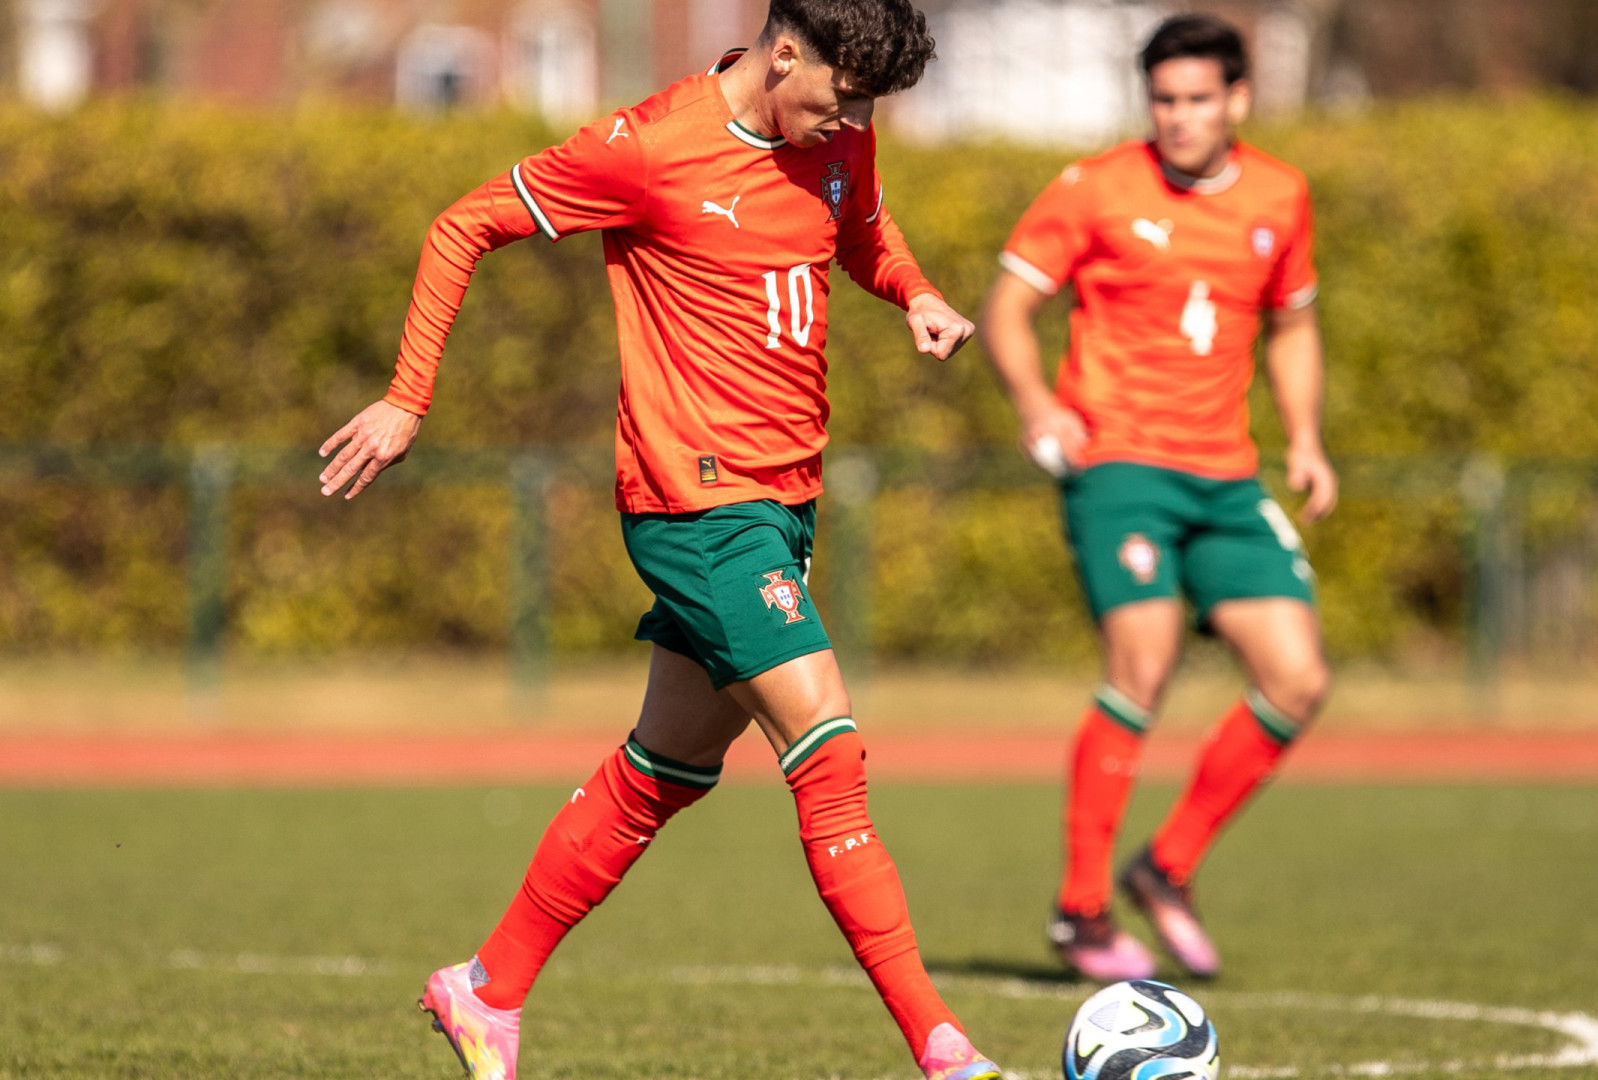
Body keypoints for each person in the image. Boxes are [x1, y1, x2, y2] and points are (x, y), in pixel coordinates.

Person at [316, 4, 999, 1079]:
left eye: (869, 105)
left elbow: (859, 230)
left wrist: (915, 292)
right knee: (829, 749)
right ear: (784, 53)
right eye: (842, 95)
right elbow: (464, 223)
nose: (854, 121)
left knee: (667, 768)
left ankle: (484, 990)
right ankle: (944, 1050)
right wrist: (409, 399)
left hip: (783, 504)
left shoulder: (836, 142)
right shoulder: (646, 149)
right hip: (697, 506)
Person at [980, 13, 1336, 983]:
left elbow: (1292, 327)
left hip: (1225, 475)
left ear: (1237, 101)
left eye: (1197, 100)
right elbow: (1008, 304)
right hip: (1120, 464)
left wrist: (1304, 437)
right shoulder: (1093, 189)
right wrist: (1037, 403)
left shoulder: (1280, 195)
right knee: (1147, 657)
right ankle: (1081, 911)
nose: (1178, 118)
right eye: (1164, 101)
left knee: (1298, 678)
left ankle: (1166, 867)